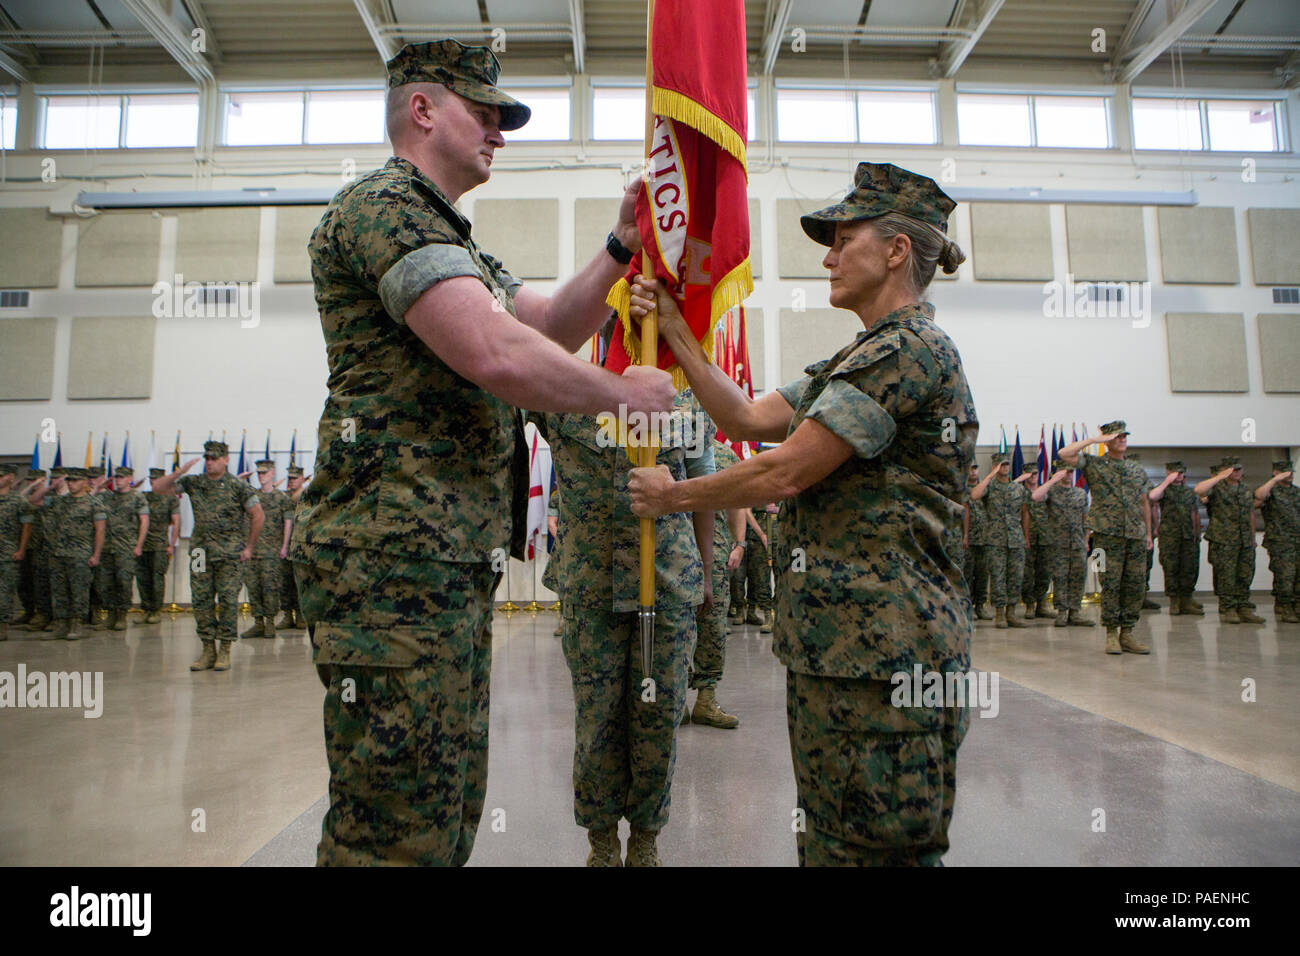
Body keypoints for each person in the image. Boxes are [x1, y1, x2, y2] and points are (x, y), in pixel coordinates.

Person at [291, 37, 674, 867]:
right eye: (486, 112)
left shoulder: (454, 241)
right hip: (388, 559)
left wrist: (616, 246)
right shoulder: (385, 205)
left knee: (444, 807)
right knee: (394, 826)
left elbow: (541, 324)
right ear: (422, 110)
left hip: (439, 559)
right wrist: (619, 394)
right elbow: (494, 354)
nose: (501, 132)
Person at [629, 162, 977, 866]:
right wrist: (676, 330)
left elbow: (786, 469)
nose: (827, 254)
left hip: (890, 661)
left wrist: (675, 498)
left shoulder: (911, 352)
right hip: (842, 656)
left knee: (878, 853)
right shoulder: (856, 356)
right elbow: (750, 417)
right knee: (831, 842)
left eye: (843, 238)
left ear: (896, 251)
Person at [151, 441, 265, 671]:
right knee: (201, 601)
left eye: (215, 458)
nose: (210, 462)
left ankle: (224, 649)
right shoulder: (194, 483)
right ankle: (207, 650)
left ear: (226, 459)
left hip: (229, 553)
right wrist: (179, 472)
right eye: (207, 458)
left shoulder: (237, 486)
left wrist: (249, 547)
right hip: (200, 552)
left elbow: (258, 515)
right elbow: (158, 488)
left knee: (227, 601)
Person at [1057, 422, 1152, 654]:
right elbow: (1064, 454)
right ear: (1107, 440)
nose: (1122, 440)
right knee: (1110, 583)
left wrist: (1148, 533)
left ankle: (1127, 632)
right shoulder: (1094, 464)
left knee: (1135, 585)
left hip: (1135, 534)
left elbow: (1144, 502)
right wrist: (1092, 441)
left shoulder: (1136, 468)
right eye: (1117, 436)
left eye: (1124, 436)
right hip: (1106, 536)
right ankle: (1111, 633)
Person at [689, 422, 748, 730]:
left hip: (717, 555)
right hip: (677, 556)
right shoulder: (670, 447)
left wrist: (739, 544)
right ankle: (671, 702)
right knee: (674, 628)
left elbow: (738, 505)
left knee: (712, 627)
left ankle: (706, 699)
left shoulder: (726, 457)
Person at [29, 468, 106, 641]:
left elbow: (100, 531)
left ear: (85, 482)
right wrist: (52, 486)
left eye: (76, 481)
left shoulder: (94, 503)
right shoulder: (59, 502)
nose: (72, 484)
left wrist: (96, 555)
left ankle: (76, 624)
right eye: (69, 481)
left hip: (80, 554)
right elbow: (34, 500)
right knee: (59, 592)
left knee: (79, 591)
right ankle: (61, 624)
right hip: (57, 554)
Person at [1194, 457, 1263, 624]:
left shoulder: (1245, 489)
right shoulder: (1216, 487)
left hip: (1244, 539)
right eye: (1234, 470)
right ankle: (1228, 608)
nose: (1238, 472)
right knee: (1226, 576)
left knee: (1245, 574)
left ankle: (1243, 607)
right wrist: (1219, 477)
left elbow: (1250, 514)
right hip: (1224, 540)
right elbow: (1198, 489)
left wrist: (1253, 537)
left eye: (1239, 469)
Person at [969, 454, 1031, 629]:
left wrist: (1026, 537)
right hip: (995, 540)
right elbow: (974, 495)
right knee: (997, 577)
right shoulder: (989, 487)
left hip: (1016, 539)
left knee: (1016, 577)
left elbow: (1025, 512)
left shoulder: (1017, 489)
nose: (1004, 468)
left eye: (1006, 465)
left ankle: (1011, 613)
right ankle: (999, 614)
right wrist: (989, 476)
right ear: (995, 466)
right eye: (1000, 465)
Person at [1034, 460, 1092, 627]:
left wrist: (1086, 540)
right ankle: (1061, 612)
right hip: (1058, 543)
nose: (1068, 474)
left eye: (1070, 471)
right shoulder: (1051, 491)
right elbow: (1036, 496)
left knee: (1078, 577)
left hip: (1078, 543)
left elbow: (1085, 519)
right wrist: (1052, 480)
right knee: (1060, 577)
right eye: (1064, 471)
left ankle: (1075, 612)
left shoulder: (1080, 493)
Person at [241, 460, 292, 639]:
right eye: (259, 473)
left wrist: (284, 546)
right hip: (253, 551)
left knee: (270, 588)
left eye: (264, 473)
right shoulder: (252, 496)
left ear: (272, 473)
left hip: (272, 550)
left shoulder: (282, 498)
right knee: (253, 588)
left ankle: (270, 622)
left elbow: (288, 522)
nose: (261, 476)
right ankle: (258, 623)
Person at [93, 466, 148, 632]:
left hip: (127, 547)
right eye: (116, 477)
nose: (119, 480)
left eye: (122, 477)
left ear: (130, 478)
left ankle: (121, 615)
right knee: (105, 583)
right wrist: (101, 486)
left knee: (123, 582)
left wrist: (139, 545)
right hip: (107, 547)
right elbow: (89, 501)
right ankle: (110, 615)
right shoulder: (107, 497)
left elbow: (144, 522)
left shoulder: (138, 497)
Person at [1149, 461, 1203, 616]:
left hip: (1187, 535)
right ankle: (1174, 602)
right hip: (1169, 535)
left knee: (1188, 568)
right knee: (1171, 568)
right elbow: (1153, 498)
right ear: (1168, 472)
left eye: (1180, 472)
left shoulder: (1189, 492)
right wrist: (1167, 481)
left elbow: (1194, 513)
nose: (1178, 475)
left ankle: (1186, 600)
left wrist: (1197, 533)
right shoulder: (1163, 489)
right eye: (1175, 472)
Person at [1256, 459, 1299, 623]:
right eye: (1285, 473)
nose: (1289, 476)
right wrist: (1274, 480)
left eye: (1290, 473)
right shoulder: (1271, 491)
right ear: (1276, 472)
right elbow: (1259, 495)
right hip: (1279, 541)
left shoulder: (1296, 492)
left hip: (1297, 540)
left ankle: (1295, 606)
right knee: (1285, 576)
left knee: (1298, 576)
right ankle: (1286, 607)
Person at [139, 467, 180, 623]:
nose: (152, 481)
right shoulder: (144, 497)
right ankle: (145, 609)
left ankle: (156, 610)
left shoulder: (171, 499)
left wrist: (171, 544)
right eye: (151, 478)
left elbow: (176, 522)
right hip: (143, 544)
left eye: (156, 479)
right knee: (143, 579)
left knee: (157, 579)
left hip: (160, 544)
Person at [1020, 469, 1055, 619]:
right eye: (1030, 474)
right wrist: (1025, 537)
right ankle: (1029, 604)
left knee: (1044, 572)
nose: (1033, 476)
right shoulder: (1020, 493)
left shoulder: (1045, 493)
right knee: (1027, 574)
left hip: (1045, 538)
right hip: (1027, 539)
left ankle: (1041, 604)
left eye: (1035, 473)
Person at [276, 465, 307, 630]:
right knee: (285, 583)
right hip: (285, 547)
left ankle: (301, 615)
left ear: (302, 479)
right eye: (289, 478)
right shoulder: (284, 496)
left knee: (299, 582)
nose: (291, 481)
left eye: (295, 478)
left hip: (301, 546)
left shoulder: (307, 495)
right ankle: (288, 615)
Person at [962, 462, 992, 619]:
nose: (973, 472)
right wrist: (965, 535)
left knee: (982, 575)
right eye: (970, 468)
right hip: (967, 541)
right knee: (967, 574)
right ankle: (968, 606)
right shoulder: (961, 489)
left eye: (975, 468)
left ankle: (980, 605)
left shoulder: (985, 491)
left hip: (984, 539)